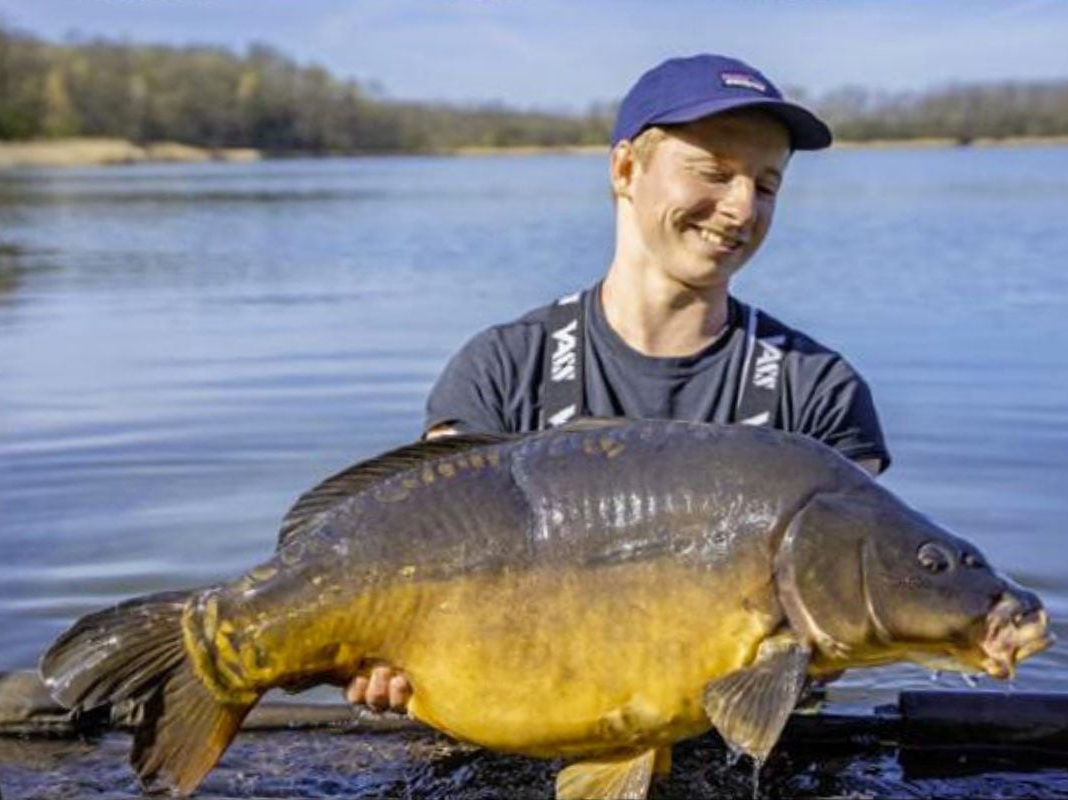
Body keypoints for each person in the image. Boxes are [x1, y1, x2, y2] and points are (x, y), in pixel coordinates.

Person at [346, 54, 891, 713]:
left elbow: (857, 609)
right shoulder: (501, 369)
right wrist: (386, 652)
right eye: (714, 172)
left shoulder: (818, 390)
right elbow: (422, 553)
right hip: (523, 714)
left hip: (747, 738)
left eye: (767, 184)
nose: (742, 207)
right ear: (626, 170)